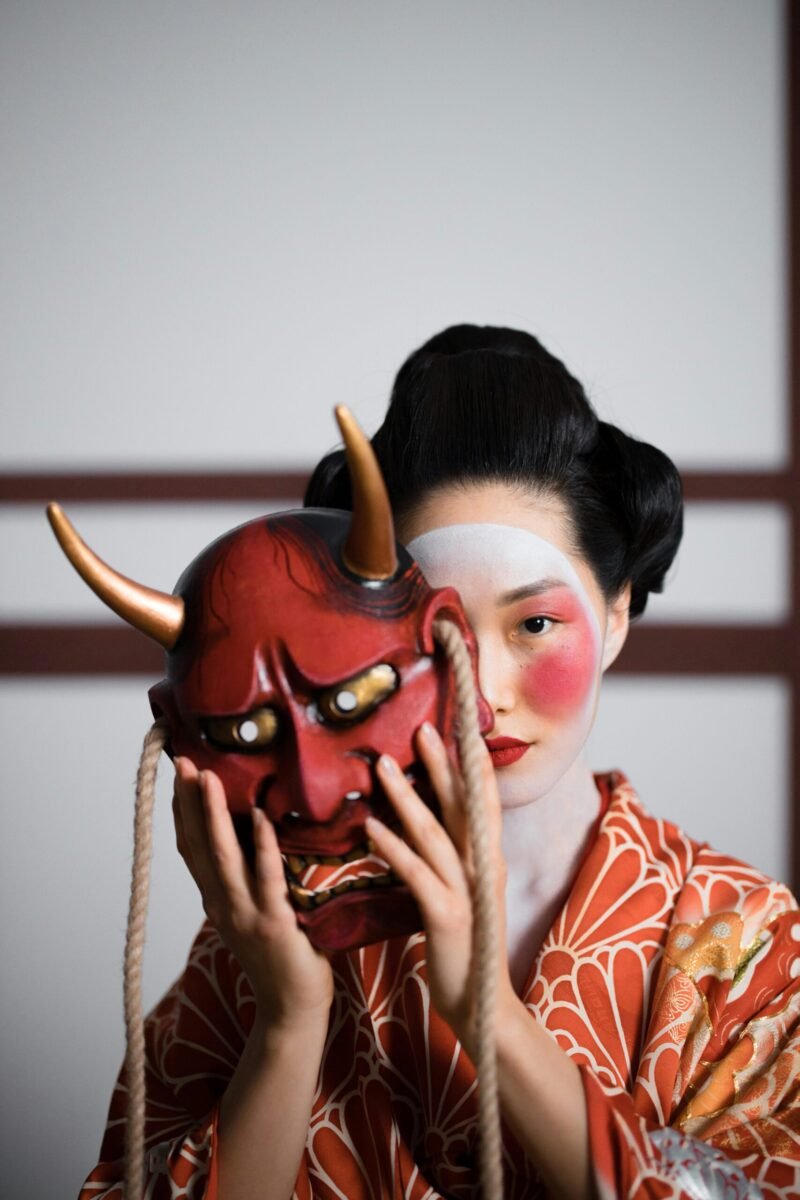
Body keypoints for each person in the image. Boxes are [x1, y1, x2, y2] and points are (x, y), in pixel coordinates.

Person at [80, 325, 800, 1199]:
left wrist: (490, 1022)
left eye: (536, 625)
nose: (482, 691)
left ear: (614, 616)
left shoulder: (748, 942)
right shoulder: (271, 932)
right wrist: (289, 1022)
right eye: (444, 637)